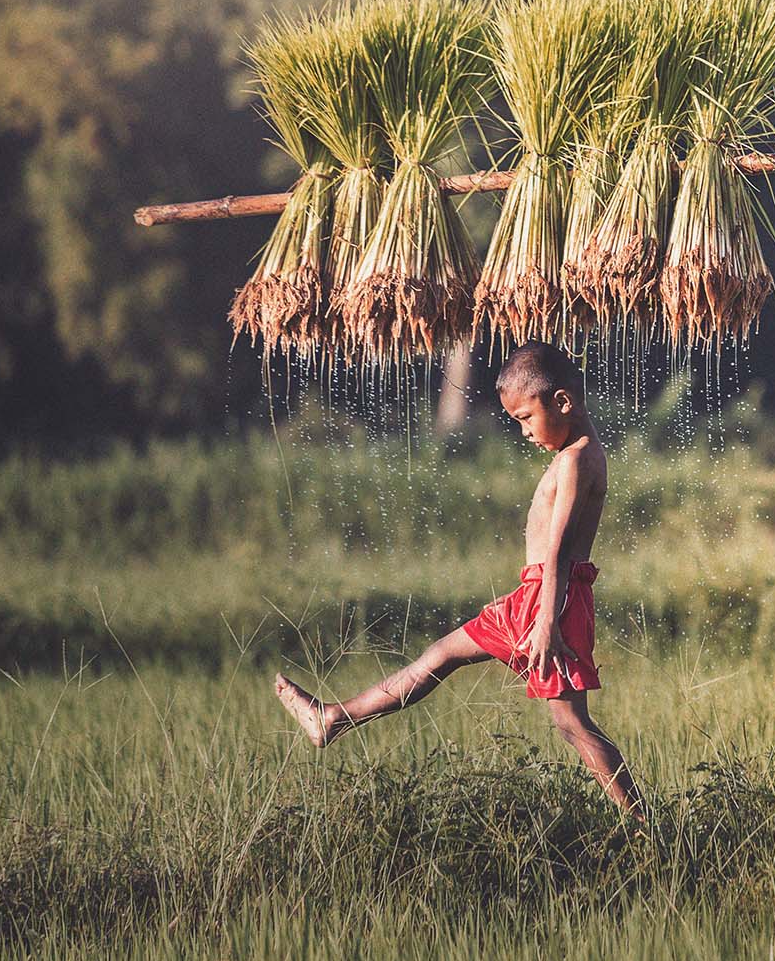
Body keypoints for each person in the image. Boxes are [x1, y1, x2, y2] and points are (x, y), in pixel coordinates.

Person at [272, 341, 642, 819]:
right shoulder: (579, 450)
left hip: (548, 600)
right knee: (460, 664)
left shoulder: (576, 460)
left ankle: (641, 827)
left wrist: (547, 621)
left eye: (526, 418)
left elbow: (558, 552)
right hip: (544, 597)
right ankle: (332, 718)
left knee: (570, 722)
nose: (525, 432)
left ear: (563, 402)